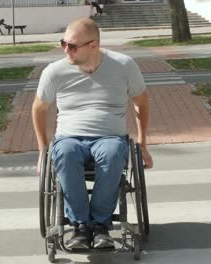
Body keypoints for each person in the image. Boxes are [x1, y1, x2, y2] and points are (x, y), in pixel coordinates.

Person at [32, 18, 153, 250]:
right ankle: (79, 226)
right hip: (69, 138)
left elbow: (141, 103)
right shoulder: (55, 71)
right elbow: (39, 109)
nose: (66, 50)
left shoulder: (124, 65)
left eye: (73, 46)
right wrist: (41, 151)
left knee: (112, 153)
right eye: (63, 43)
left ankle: (99, 225)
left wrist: (143, 144)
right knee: (65, 154)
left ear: (94, 45)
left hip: (109, 138)